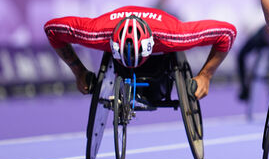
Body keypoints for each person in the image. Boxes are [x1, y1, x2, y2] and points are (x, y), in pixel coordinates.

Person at [44, 5, 237, 100]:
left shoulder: (174, 35)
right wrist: (79, 72)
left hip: (161, 46)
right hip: (112, 36)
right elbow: (51, 29)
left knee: (158, 90)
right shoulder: (96, 33)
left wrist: (205, 76)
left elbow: (227, 33)